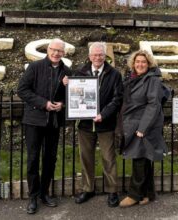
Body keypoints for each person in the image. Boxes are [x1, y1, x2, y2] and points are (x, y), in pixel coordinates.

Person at [63, 42, 123, 207]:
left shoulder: (114, 74)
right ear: (89, 56)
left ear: (105, 56)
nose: (97, 57)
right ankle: (88, 189)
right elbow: (73, 96)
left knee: (108, 158)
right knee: (86, 158)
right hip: (85, 125)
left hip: (106, 124)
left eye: (100, 54)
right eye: (94, 54)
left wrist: (104, 114)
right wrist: (68, 85)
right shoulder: (79, 73)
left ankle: (112, 191)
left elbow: (117, 99)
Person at [17, 38, 71, 214]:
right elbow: (22, 90)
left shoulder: (67, 71)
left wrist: (62, 102)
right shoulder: (35, 67)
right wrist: (44, 103)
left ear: (64, 53)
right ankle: (32, 196)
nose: (56, 53)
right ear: (48, 50)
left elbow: (75, 96)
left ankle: (44, 193)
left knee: (50, 159)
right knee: (33, 159)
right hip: (34, 120)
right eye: (53, 50)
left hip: (53, 122)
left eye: (59, 51)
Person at [119, 50, 170, 208]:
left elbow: (153, 104)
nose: (140, 64)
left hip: (143, 124)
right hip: (134, 122)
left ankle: (134, 195)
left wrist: (143, 128)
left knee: (139, 158)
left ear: (149, 64)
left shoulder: (152, 80)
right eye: (137, 62)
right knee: (144, 157)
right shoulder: (132, 78)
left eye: (143, 62)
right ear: (133, 64)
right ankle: (148, 193)